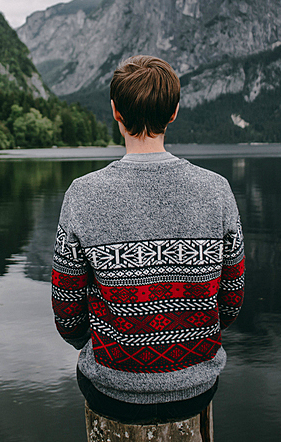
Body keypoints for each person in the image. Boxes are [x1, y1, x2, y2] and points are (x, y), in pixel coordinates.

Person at [51, 55, 245, 432]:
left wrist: (100, 345)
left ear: (115, 112)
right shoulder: (217, 190)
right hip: (196, 387)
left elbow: (66, 313)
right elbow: (232, 301)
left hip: (110, 387)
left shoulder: (83, 194)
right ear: (173, 112)